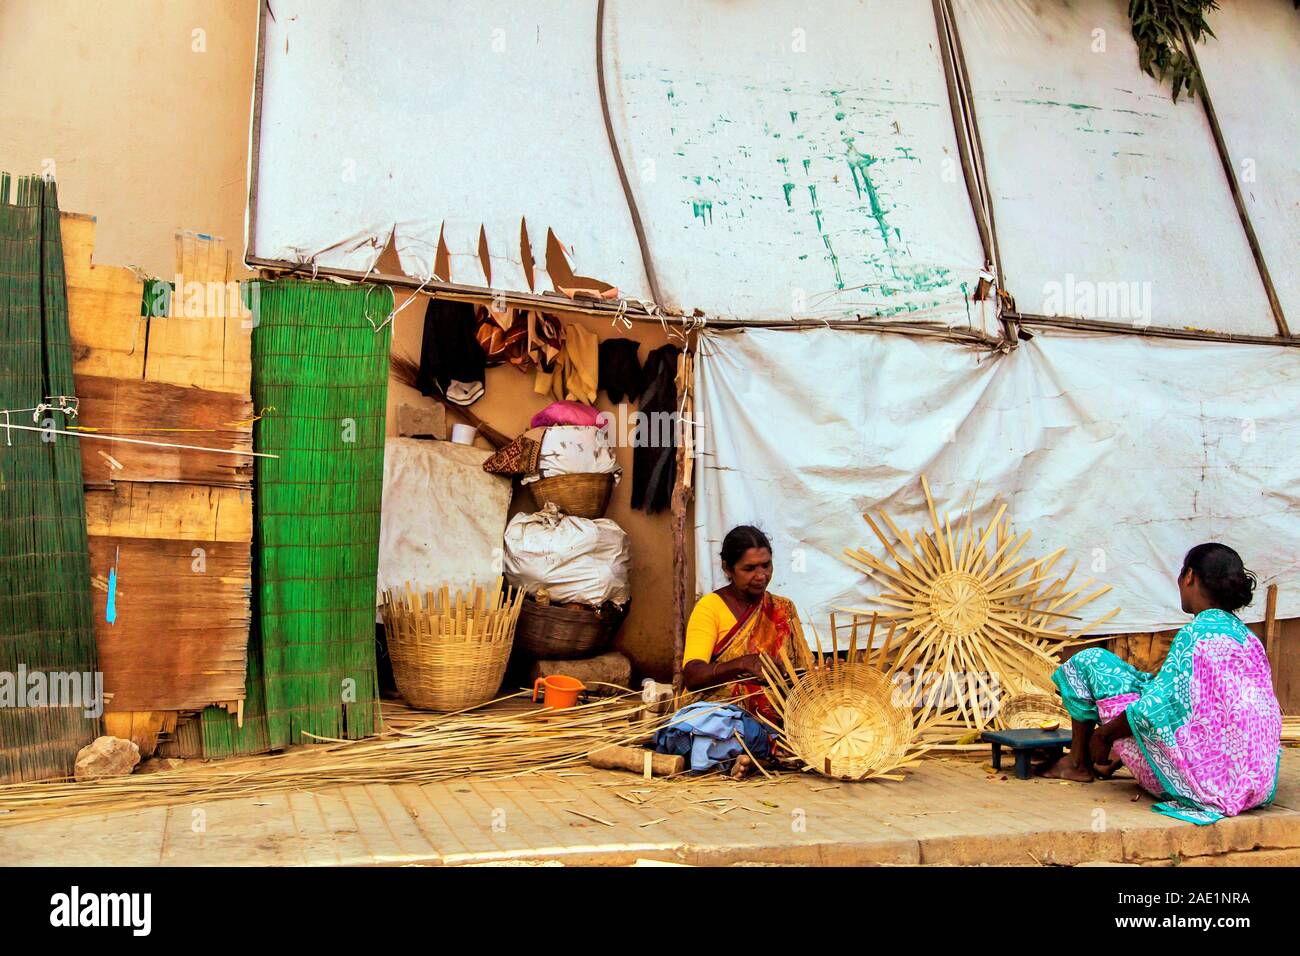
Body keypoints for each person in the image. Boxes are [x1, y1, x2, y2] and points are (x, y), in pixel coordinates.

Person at [1040, 543, 1281, 824]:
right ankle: (1101, 762)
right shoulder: (1249, 640)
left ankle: (1078, 762)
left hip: (1202, 787)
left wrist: (1103, 736)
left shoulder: (1195, 636)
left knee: (1090, 661)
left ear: (1189, 576)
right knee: (1152, 690)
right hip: (1256, 786)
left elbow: (1154, 709)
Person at [656, 526, 813, 778]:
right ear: (728, 569)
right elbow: (693, 675)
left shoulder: (783, 609)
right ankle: (757, 754)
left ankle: (754, 754)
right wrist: (742, 664)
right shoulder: (710, 608)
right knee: (711, 728)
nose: (761, 575)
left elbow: (803, 671)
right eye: (749, 569)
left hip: (774, 720)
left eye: (766, 565)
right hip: (722, 713)